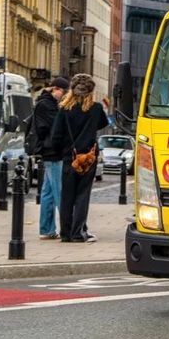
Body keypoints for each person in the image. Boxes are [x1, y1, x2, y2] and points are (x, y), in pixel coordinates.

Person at [50, 74, 108, 243]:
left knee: (67, 196)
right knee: (83, 195)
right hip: (88, 157)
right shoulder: (96, 109)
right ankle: (78, 232)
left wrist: (62, 151)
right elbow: (103, 123)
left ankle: (66, 233)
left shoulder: (64, 108)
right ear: (91, 91)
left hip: (70, 157)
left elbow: (56, 136)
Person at [32, 76, 69, 240]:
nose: (64, 95)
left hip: (50, 151)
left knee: (48, 192)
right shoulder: (47, 105)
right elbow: (57, 126)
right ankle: (68, 228)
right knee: (60, 191)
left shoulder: (46, 103)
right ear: (55, 89)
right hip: (53, 151)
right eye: (63, 92)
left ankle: (46, 229)